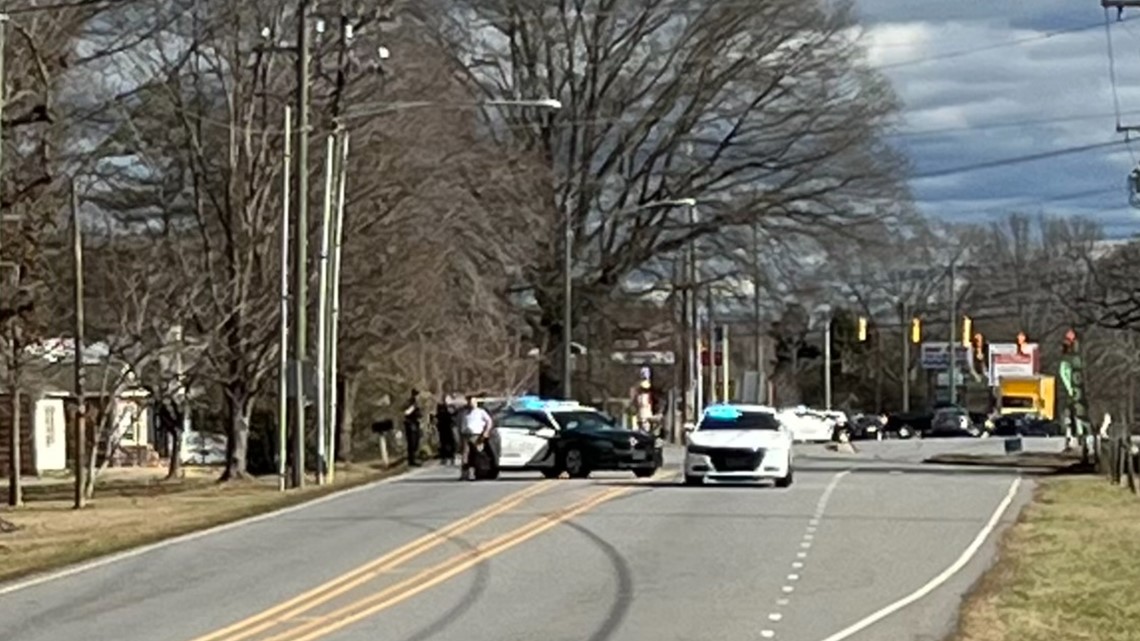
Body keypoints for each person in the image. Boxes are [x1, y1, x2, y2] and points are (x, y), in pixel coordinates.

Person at [459, 394, 494, 481]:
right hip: (466, 436)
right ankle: (465, 474)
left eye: (473, 402)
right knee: (465, 456)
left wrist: (486, 432)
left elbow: (489, 422)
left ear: (476, 403)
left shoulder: (481, 412)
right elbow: (459, 423)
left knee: (477, 455)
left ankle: (479, 473)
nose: (471, 403)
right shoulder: (464, 412)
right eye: (469, 402)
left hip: (477, 436)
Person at [403, 389, 422, 467]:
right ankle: (412, 460)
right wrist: (412, 408)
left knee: (416, 441)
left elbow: (419, 414)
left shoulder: (417, 403)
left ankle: (415, 458)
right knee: (412, 442)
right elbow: (406, 412)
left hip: (416, 423)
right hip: (410, 423)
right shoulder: (410, 402)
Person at [435, 401, 457, 465]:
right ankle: (451, 458)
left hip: (443, 431)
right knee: (450, 444)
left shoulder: (439, 414)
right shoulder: (447, 414)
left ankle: (445, 459)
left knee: (444, 445)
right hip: (447, 431)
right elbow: (453, 418)